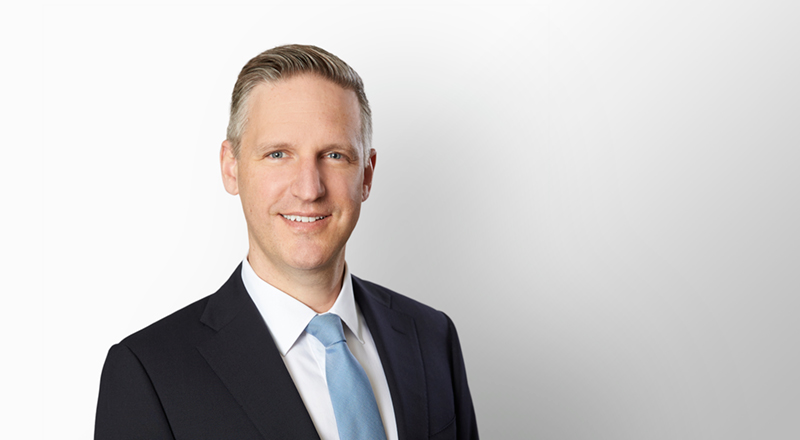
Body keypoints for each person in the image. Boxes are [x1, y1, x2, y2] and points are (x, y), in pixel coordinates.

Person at [94, 44, 478, 440]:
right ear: (231, 167)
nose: (309, 189)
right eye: (278, 154)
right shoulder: (149, 373)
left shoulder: (431, 338)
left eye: (334, 155)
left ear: (366, 174)